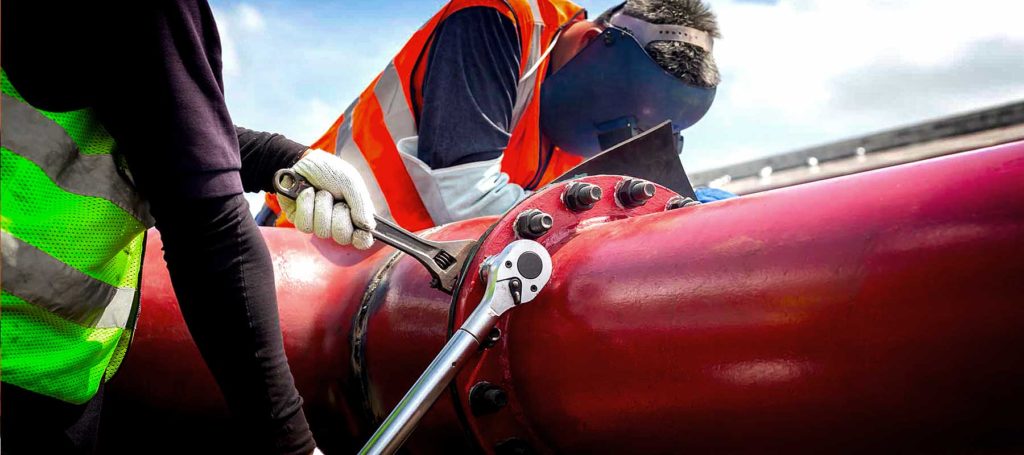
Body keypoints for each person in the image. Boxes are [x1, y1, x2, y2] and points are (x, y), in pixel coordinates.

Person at [0, 2, 375, 454]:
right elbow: (210, 234)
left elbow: (139, 115)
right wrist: (290, 445)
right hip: (28, 375)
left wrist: (278, 161)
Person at [259, 0, 726, 231]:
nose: (623, 135)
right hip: (311, 240)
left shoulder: (590, 123)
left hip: (408, 279)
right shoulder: (500, 19)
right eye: (622, 110)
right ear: (591, 43)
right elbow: (464, 199)